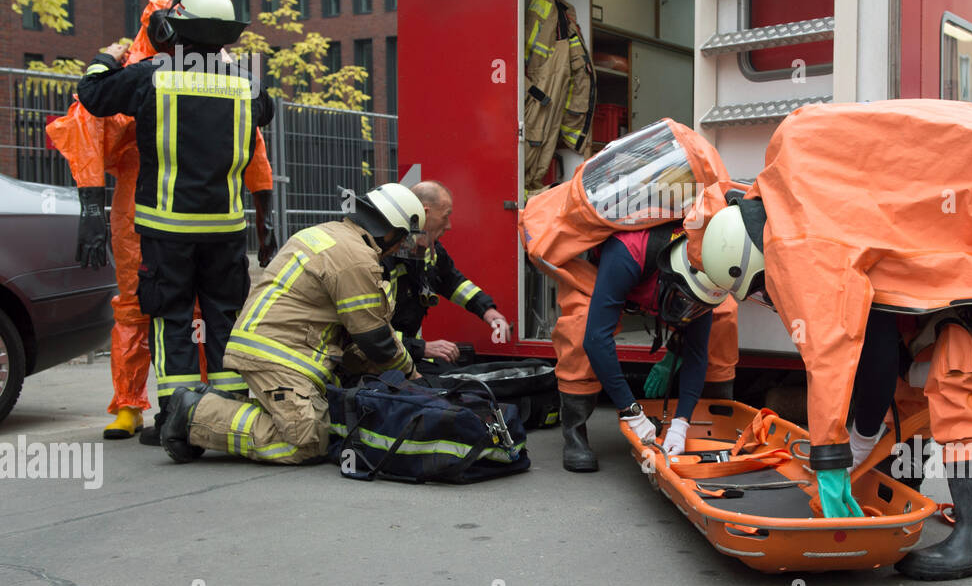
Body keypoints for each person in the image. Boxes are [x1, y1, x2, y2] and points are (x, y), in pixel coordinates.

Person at [691, 99, 972, 580]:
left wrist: (837, 455)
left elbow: (832, 350)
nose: (772, 294)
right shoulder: (792, 191)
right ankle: (903, 484)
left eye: (761, 286)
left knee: (959, 383)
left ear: (751, 260)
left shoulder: (796, 243)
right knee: (920, 381)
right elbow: (879, 330)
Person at [75, 0, 275, 439]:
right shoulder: (246, 83)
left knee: (173, 318)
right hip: (225, 229)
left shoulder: (151, 76)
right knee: (224, 315)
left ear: (170, 28)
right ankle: (227, 415)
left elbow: (92, 95)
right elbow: (267, 113)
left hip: (166, 229)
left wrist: (105, 58)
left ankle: (177, 419)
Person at [519, 120, 741, 473]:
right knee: (580, 326)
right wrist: (631, 411)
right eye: (685, 304)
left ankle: (710, 420)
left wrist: (681, 421)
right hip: (602, 269)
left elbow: (698, 351)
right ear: (670, 279)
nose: (689, 311)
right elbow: (597, 340)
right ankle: (574, 431)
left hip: (655, 279)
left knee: (723, 318)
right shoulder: (627, 252)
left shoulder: (706, 270)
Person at [158, 183, 425, 464]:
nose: (400, 248)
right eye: (403, 239)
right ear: (391, 230)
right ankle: (195, 413)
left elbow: (357, 336)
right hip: (279, 353)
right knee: (306, 439)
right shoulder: (355, 258)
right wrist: (412, 376)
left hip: (281, 346)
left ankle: (213, 407)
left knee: (325, 420)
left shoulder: (335, 237)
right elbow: (374, 339)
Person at [382, 180, 510, 369]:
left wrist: (487, 310)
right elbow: (372, 334)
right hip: (380, 360)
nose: (449, 225)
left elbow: (452, 281)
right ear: (425, 214)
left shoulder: (428, 249)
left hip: (405, 354)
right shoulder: (383, 258)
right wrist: (422, 347)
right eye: (446, 216)